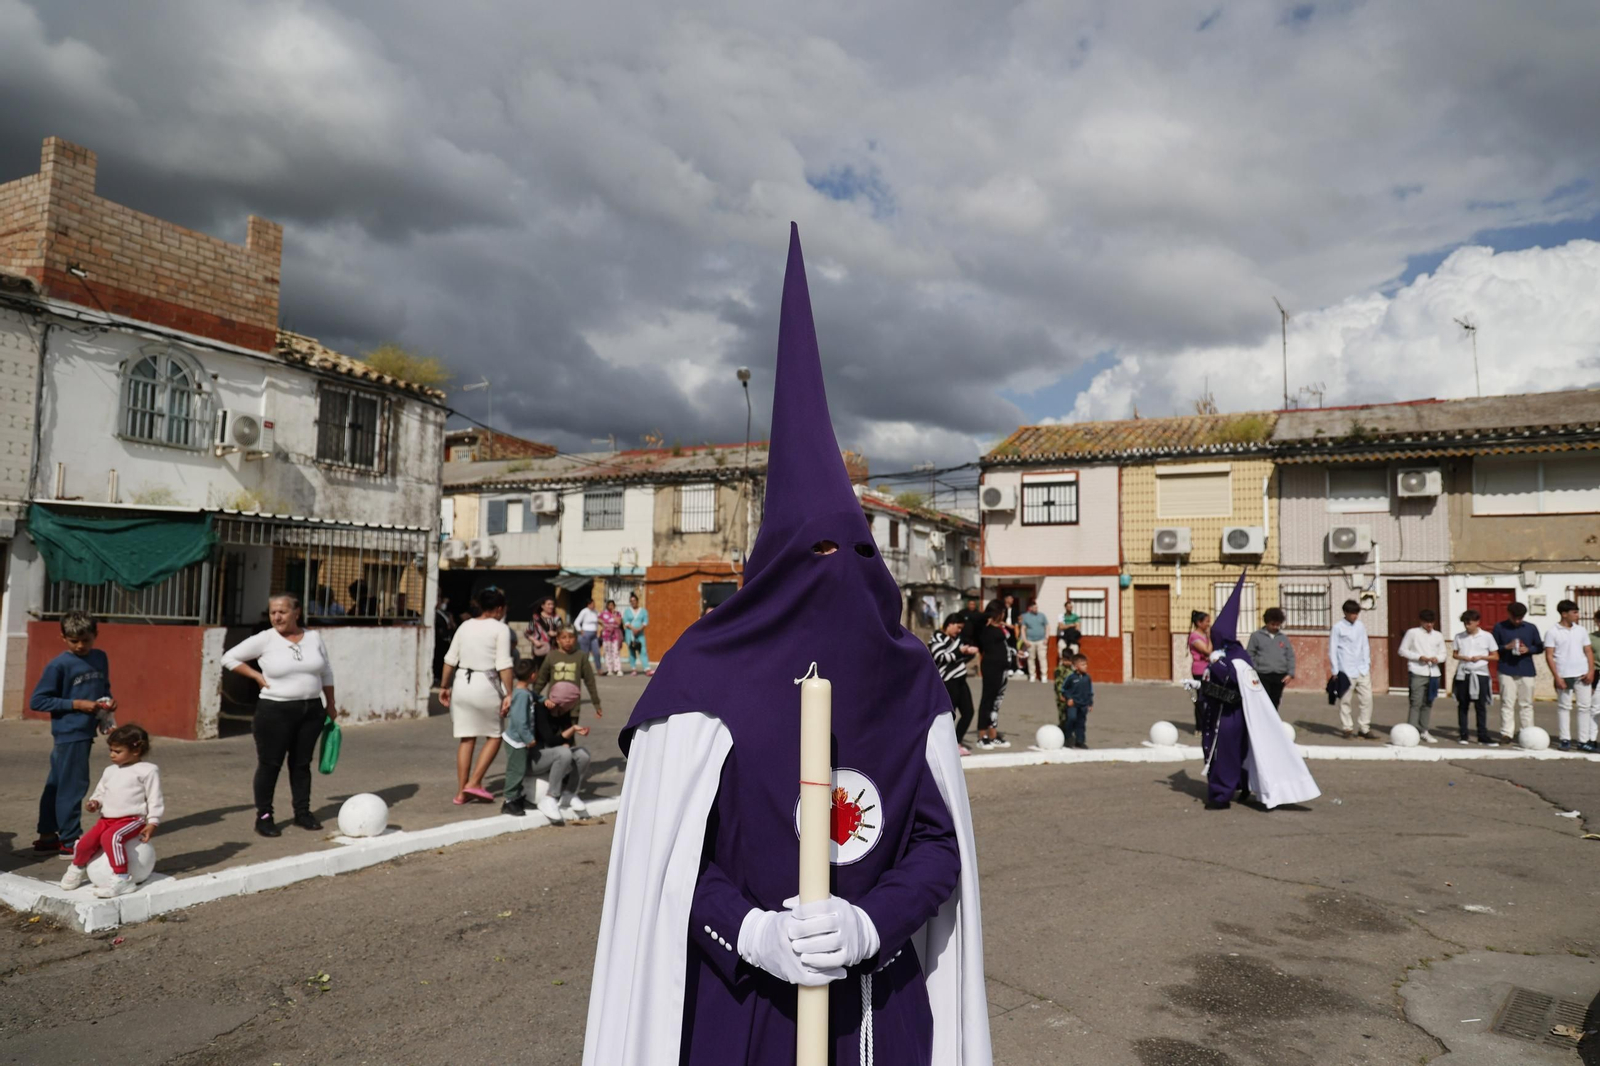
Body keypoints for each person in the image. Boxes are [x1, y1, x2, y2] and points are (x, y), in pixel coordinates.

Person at [583, 224, 988, 1066]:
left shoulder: (907, 680)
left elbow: (937, 844)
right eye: (812, 555)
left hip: (880, 1010)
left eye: (857, 554)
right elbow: (667, 862)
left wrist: (874, 920)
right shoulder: (702, 676)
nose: (836, 575)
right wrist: (750, 931)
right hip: (741, 1013)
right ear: (769, 568)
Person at [1197, 573, 1320, 812]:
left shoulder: (1232, 658)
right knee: (1240, 752)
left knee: (1225, 754)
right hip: (1232, 712)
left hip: (1229, 715)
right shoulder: (1236, 653)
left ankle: (1221, 795)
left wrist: (1215, 665)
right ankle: (1243, 786)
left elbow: (1232, 677)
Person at [223, 593, 338, 836]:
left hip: (311, 710)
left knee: (301, 764)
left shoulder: (314, 637)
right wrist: (256, 676)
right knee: (270, 764)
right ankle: (264, 817)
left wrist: (331, 703)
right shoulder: (265, 639)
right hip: (275, 712)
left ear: (296, 613)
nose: (276, 616)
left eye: (282, 612)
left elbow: (326, 671)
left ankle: (302, 813)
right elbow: (229, 658)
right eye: (273, 612)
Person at [31, 611, 115, 858]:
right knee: (73, 786)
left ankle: (47, 835)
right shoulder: (59, 664)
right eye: (73, 640)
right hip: (69, 731)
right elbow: (38, 700)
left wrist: (108, 703)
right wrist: (76, 704)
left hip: (87, 728)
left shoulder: (100, 657)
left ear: (95, 636)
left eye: (86, 640)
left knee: (57, 784)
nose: (80, 645)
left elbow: (104, 686)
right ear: (63, 637)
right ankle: (70, 840)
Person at [59, 724, 162, 898]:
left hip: (131, 820)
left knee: (112, 838)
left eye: (117, 751)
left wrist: (153, 822)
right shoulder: (110, 771)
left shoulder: (148, 770)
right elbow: (101, 792)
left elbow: (154, 798)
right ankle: (76, 868)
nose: (111, 755)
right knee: (85, 843)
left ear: (136, 751)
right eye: (110, 750)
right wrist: (95, 802)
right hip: (106, 820)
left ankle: (123, 878)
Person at [438, 587, 513, 806]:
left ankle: (462, 792)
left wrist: (444, 686)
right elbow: (504, 665)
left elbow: (450, 659)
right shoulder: (500, 629)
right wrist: (509, 693)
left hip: (462, 682)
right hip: (487, 685)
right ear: (499, 608)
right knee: (495, 735)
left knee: (467, 737)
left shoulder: (465, 625)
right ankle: (475, 782)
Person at [501, 659, 593, 820]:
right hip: (520, 744)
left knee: (582, 754)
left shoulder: (529, 694)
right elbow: (520, 721)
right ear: (533, 675)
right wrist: (529, 738)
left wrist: (545, 699)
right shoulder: (526, 700)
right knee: (515, 771)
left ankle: (569, 794)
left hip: (532, 748)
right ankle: (511, 801)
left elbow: (535, 695)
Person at [1545, 599, 1596, 752]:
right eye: (1574, 612)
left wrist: (1591, 670)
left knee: (1585, 707)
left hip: (1582, 673)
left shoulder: (1580, 630)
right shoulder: (1552, 632)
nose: (1577, 615)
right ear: (1564, 614)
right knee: (1564, 707)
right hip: (1564, 674)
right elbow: (1549, 656)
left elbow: (1588, 651)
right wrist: (1557, 677)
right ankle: (1565, 739)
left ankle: (1583, 740)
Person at [1492, 602, 1544, 745]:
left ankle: (1526, 732)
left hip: (1526, 669)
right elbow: (1492, 647)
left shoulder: (1531, 628)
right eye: (1515, 618)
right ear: (1508, 614)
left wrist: (1529, 650)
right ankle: (1506, 733)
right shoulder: (1499, 627)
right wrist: (1505, 647)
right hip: (1506, 669)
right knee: (1507, 702)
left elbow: (1539, 646)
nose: (1517, 621)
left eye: (1520, 618)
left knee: (1526, 703)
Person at [930, 613, 978, 752]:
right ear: (950, 624)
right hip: (947, 681)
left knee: (968, 712)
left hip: (961, 679)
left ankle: (956, 741)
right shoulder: (937, 637)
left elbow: (959, 658)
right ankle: (945, 746)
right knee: (950, 715)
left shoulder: (957, 639)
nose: (959, 631)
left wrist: (968, 652)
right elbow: (940, 656)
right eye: (958, 627)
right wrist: (960, 651)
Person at [1398, 608, 1447, 744]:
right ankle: (1411, 731)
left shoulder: (1438, 635)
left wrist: (1437, 658)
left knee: (1428, 702)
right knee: (1416, 702)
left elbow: (1443, 653)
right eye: (1426, 622)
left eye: (1431, 622)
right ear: (1421, 621)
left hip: (1434, 673)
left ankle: (1424, 730)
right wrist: (1419, 657)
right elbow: (1402, 651)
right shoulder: (1413, 633)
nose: (1429, 625)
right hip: (1417, 671)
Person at [535, 626, 605, 721]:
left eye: (571, 637)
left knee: (570, 733)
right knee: (552, 735)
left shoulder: (581, 656)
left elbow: (590, 681)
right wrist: (532, 697)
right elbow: (541, 680)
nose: (568, 640)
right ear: (558, 640)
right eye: (564, 637)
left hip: (573, 708)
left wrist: (596, 704)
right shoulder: (552, 656)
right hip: (553, 706)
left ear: (576, 639)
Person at [1451, 609, 1498, 746]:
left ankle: (1482, 735)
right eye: (1465, 623)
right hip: (1464, 672)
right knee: (1463, 704)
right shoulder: (1459, 636)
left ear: (1477, 622)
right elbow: (1454, 654)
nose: (1467, 626)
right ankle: (1463, 734)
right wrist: (1462, 657)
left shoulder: (1487, 636)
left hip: (1480, 673)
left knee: (1480, 705)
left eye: (1469, 623)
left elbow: (1495, 656)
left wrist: (1481, 657)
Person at [1329, 600, 1374, 739]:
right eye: (1352, 613)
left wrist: (1367, 662)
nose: (1355, 616)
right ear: (1346, 613)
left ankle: (1364, 728)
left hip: (1362, 669)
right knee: (1345, 700)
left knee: (1367, 699)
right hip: (1346, 669)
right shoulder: (1338, 627)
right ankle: (1347, 727)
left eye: (1357, 613)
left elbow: (1365, 644)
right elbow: (1332, 648)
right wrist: (1335, 670)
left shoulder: (1360, 626)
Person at [975, 600, 1013, 749]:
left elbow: (1006, 645)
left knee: (996, 703)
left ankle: (993, 735)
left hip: (1003, 668)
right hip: (991, 668)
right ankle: (982, 736)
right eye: (1001, 612)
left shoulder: (1002, 628)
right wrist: (989, 614)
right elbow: (975, 619)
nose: (1003, 614)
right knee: (987, 701)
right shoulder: (984, 628)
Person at [1245, 608, 1296, 708]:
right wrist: (1255, 667)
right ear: (1267, 622)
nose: (1275, 627)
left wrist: (1290, 673)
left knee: (1275, 700)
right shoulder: (1256, 636)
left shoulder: (1283, 638)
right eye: (1273, 624)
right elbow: (1250, 654)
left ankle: (1273, 721)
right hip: (1263, 674)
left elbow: (1290, 656)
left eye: (1278, 624)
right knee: (1264, 701)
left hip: (1280, 675)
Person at [1055, 653, 1093, 749]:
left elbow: (1090, 691)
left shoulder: (1087, 678)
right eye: (1083, 665)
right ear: (1076, 667)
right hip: (1073, 704)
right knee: (1071, 719)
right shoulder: (1071, 677)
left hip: (1083, 704)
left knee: (1081, 723)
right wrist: (1069, 698)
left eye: (1086, 664)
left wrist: (1090, 703)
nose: (1086, 666)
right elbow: (1064, 689)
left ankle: (1080, 741)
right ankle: (1068, 738)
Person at [525, 595, 562, 671]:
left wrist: (555, 633)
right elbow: (527, 633)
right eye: (549, 604)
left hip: (553, 651)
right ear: (542, 606)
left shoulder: (557, 618)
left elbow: (562, 632)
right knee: (539, 673)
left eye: (552, 604)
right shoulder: (535, 618)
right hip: (540, 651)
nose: (551, 606)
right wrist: (534, 641)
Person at [622, 592, 653, 676]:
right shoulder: (627, 611)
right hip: (630, 634)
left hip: (640, 634)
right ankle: (633, 668)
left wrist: (639, 629)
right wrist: (633, 629)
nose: (633, 602)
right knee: (632, 651)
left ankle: (647, 668)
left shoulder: (643, 611)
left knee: (643, 650)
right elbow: (626, 621)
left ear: (637, 601)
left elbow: (645, 622)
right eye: (631, 601)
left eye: (634, 600)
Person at [1018, 599, 1049, 682]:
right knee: (1031, 658)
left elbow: (1047, 627)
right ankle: (1032, 675)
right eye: (1034, 607)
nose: (1036, 609)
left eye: (1036, 607)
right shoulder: (1026, 616)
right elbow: (1023, 629)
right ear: (1030, 608)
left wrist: (1046, 638)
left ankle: (1044, 676)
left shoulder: (1042, 616)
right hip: (1030, 641)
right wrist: (1025, 640)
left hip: (1041, 640)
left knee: (1042, 658)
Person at [575, 598, 603, 674]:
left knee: (596, 652)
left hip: (594, 635)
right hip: (586, 634)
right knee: (585, 653)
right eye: (592, 604)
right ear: (588, 605)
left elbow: (599, 620)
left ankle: (599, 669)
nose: (593, 605)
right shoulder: (584, 611)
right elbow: (576, 622)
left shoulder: (596, 612)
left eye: (594, 604)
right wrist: (580, 630)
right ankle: (583, 670)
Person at [598, 599, 625, 677]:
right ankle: (610, 669)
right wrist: (603, 625)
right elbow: (597, 618)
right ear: (607, 606)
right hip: (606, 635)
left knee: (616, 651)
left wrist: (613, 614)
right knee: (607, 652)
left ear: (614, 606)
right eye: (609, 605)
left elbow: (619, 622)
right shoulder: (604, 613)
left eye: (612, 605)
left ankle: (618, 669)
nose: (611, 606)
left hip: (615, 635)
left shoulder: (617, 613)